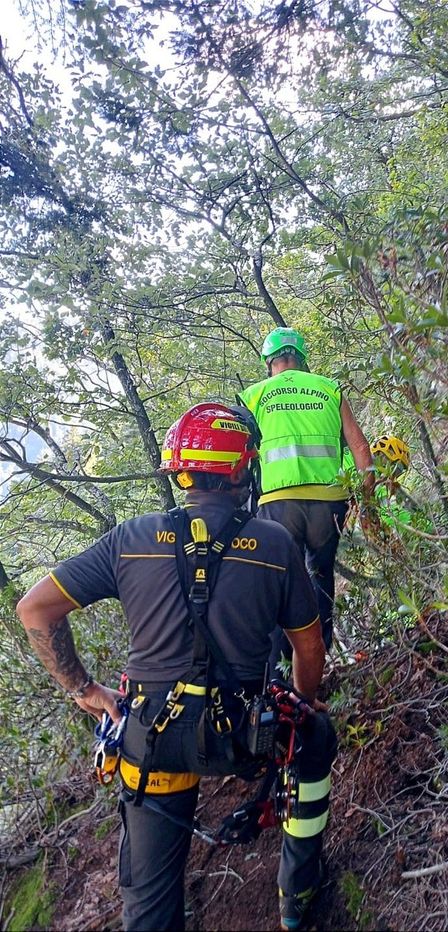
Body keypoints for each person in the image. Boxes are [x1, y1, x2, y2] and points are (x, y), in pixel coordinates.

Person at [17, 402, 337, 932]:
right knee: (317, 737)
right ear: (241, 469)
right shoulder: (274, 544)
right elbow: (308, 648)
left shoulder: (132, 539)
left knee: (148, 904)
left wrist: (84, 688)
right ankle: (296, 894)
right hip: (243, 735)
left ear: (181, 470)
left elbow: (34, 609)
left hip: (151, 741)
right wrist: (304, 699)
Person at [240, 327, 373, 663]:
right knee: (320, 579)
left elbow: (240, 456)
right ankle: (318, 662)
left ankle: (280, 670)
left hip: (277, 505)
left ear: (269, 361)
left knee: (279, 582)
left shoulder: (254, 396)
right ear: (301, 358)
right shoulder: (329, 389)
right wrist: (368, 503)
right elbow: (359, 446)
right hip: (328, 505)